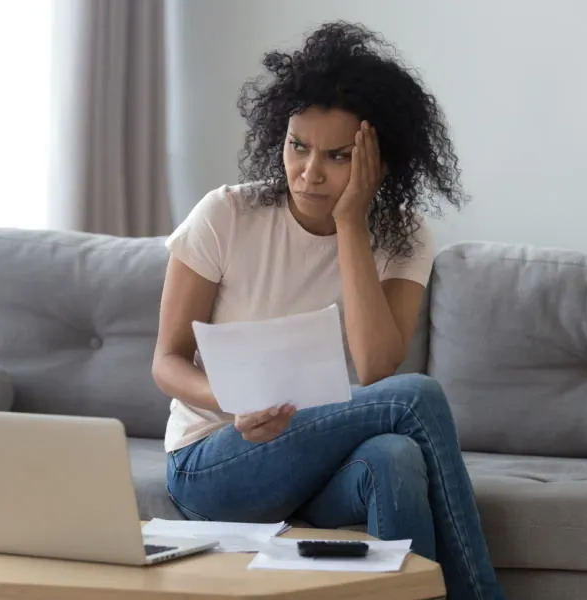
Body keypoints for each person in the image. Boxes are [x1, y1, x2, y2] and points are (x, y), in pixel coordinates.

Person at [152, 21, 506, 600]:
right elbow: (165, 361)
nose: (309, 172)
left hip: (316, 464)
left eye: (338, 157)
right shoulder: (226, 214)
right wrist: (234, 404)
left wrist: (350, 225)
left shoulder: (402, 236)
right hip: (213, 459)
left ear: (377, 164)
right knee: (418, 396)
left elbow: (373, 368)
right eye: (298, 147)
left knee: (394, 457)